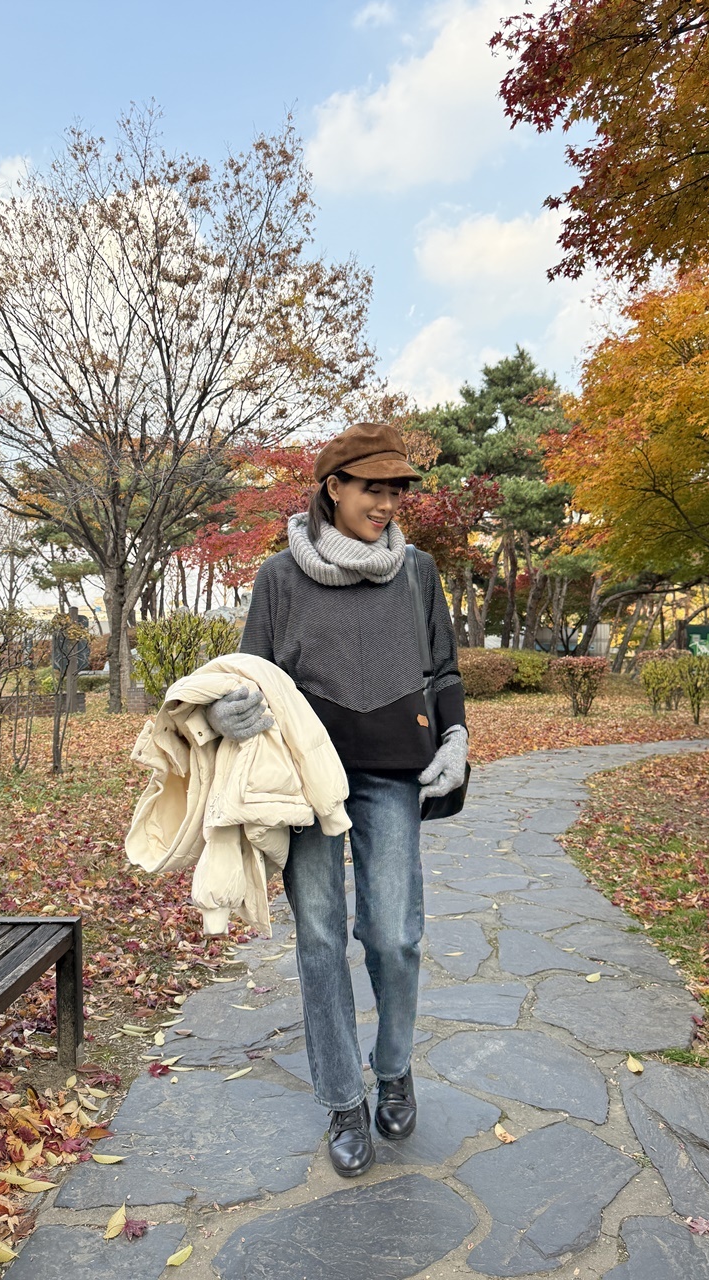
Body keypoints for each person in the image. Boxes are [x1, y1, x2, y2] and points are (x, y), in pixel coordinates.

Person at [206, 422, 468, 1176]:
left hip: (392, 772)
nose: (387, 504)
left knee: (394, 936)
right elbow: (249, 675)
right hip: (302, 780)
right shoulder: (279, 576)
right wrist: (225, 711)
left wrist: (456, 739)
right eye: (372, 489)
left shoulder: (416, 571)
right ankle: (343, 1099)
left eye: (396, 491)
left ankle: (394, 1069)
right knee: (320, 941)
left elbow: (443, 667)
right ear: (333, 487)